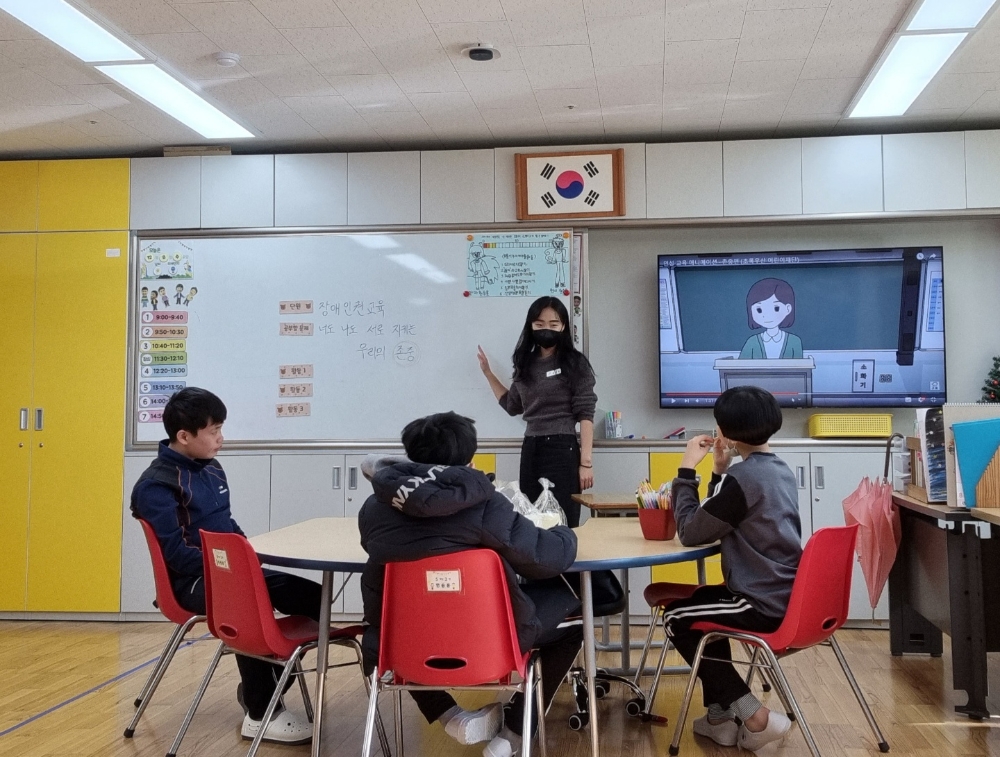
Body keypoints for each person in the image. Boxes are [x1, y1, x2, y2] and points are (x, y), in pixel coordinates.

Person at [359, 412, 583, 757]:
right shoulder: (484, 503)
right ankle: (516, 731)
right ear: (470, 460)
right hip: (488, 640)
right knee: (576, 618)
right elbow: (545, 559)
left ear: (411, 456)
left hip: (402, 641)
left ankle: (451, 717)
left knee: (400, 629)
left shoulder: (375, 508)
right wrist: (564, 532)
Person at [131, 387, 319, 745]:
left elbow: (228, 527)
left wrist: (247, 554)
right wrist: (239, 567)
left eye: (221, 428)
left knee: (315, 600)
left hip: (230, 573)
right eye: (213, 431)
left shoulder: (212, 469)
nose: (221, 439)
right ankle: (262, 712)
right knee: (249, 608)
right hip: (191, 583)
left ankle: (258, 692)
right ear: (184, 436)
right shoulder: (157, 485)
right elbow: (178, 555)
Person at [664, 385, 802, 752]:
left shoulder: (745, 480)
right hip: (783, 592)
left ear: (724, 431)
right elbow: (718, 517)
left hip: (760, 600)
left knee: (677, 618)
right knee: (700, 607)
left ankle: (751, 714)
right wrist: (720, 470)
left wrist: (686, 470)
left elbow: (691, 532)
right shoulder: (776, 471)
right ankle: (718, 719)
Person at [477, 296, 596, 527]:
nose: (546, 329)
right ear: (530, 326)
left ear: (563, 327)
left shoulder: (575, 363)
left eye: (554, 324)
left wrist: (586, 462)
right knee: (531, 519)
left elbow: (585, 414)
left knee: (563, 520)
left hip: (563, 448)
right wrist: (488, 374)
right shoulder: (525, 363)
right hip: (531, 447)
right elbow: (513, 406)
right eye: (539, 324)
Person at [738, 278, 803, 359]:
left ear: (788, 309)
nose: (767, 315)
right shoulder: (752, 342)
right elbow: (740, 367)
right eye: (759, 310)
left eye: (776, 308)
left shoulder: (794, 341)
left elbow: (800, 367)